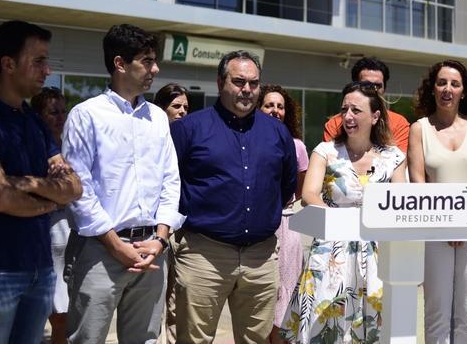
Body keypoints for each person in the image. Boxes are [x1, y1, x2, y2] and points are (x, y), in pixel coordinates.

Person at [0, 20, 83, 343]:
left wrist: (30, 184)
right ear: (8, 64)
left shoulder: (34, 124)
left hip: (38, 270)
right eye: (38, 61)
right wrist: (51, 201)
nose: (47, 70)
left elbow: (74, 187)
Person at [62, 25, 183, 343]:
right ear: (119, 63)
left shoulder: (157, 117)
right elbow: (79, 190)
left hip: (152, 252)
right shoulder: (86, 115)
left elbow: (171, 180)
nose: (155, 69)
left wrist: (160, 239)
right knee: (87, 338)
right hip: (99, 252)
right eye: (147, 60)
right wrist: (116, 246)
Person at [170, 50, 297, 343]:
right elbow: (169, 185)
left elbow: (286, 185)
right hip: (204, 255)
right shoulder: (188, 129)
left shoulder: (277, 133)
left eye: (254, 83)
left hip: (261, 257)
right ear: (220, 82)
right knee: (193, 339)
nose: (247, 90)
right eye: (239, 81)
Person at [281, 81, 407, 342]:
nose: (348, 116)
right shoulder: (326, 151)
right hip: (330, 251)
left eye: (356, 110)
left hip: (377, 256)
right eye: (344, 109)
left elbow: (400, 202)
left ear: (375, 116)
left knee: (373, 328)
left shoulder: (394, 157)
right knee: (325, 329)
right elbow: (309, 194)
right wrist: (340, 222)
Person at [408, 61, 467, 344]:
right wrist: (446, 225)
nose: (448, 89)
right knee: (436, 312)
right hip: (435, 232)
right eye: (442, 82)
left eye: (454, 84)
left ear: (463, 91)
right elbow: (418, 182)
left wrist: (466, 222)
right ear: (432, 88)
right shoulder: (419, 129)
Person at [257, 84, 310, 344]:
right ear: (258, 108)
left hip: (285, 226)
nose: (275, 110)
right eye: (269, 105)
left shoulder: (297, 146)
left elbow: (300, 190)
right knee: (258, 296)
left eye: (280, 106)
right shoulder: (247, 141)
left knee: (285, 297)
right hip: (254, 226)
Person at [29, 87, 69, 344]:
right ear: (38, 115)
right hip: (42, 237)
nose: (61, 117)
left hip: (69, 237)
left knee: (64, 316)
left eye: (63, 111)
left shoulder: (71, 144)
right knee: (39, 315)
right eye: (53, 112)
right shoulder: (33, 148)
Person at [153, 82, 191, 344]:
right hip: (153, 231)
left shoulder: (190, 139)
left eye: (186, 107)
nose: (182, 112)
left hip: (182, 231)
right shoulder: (152, 139)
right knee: (151, 305)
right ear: (161, 109)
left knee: (178, 303)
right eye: (175, 106)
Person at [322, 57, 411, 153]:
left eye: (378, 86)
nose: (373, 90)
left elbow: (400, 163)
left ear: (384, 89)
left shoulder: (398, 123)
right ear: (354, 87)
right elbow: (330, 160)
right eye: (366, 85)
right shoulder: (335, 124)